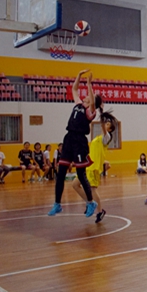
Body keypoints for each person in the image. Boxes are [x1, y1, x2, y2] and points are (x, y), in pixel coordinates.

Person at [48, 69, 101, 218]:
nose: (87, 96)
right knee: (61, 173)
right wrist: (79, 75)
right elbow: (74, 89)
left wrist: (89, 84)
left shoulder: (91, 111)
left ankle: (90, 202)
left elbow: (92, 101)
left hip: (79, 142)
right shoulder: (78, 104)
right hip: (69, 139)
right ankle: (57, 204)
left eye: (90, 96)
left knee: (80, 174)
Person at [72, 111, 116, 223]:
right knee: (75, 184)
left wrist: (101, 113)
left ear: (110, 129)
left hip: (94, 168)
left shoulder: (107, 137)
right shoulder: (98, 138)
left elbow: (103, 126)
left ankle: (100, 211)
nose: (105, 125)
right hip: (87, 166)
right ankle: (89, 202)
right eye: (105, 123)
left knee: (92, 189)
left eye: (107, 125)